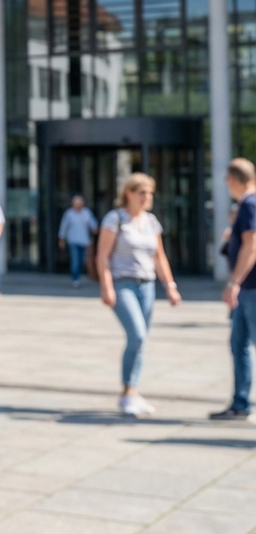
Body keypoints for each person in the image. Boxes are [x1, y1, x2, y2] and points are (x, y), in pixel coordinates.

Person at [97, 172, 180, 416]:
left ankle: (131, 391)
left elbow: (159, 256)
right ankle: (128, 393)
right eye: (142, 192)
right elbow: (102, 255)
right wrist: (107, 286)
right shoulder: (115, 219)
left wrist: (171, 286)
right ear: (129, 194)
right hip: (123, 285)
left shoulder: (151, 221)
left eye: (150, 193)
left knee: (141, 342)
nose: (147, 197)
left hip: (147, 286)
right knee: (138, 336)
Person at [209, 158, 256, 421]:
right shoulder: (248, 204)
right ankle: (240, 403)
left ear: (232, 180)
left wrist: (234, 283)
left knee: (243, 344)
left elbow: (252, 246)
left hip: (251, 287)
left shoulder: (250, 204)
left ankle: (241, 402)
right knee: (238, 344)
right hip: (247, 287)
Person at [59, 194, 98, 287]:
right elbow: (64, 227)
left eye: (79, 203)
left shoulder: (86, 213)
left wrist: (95, 229)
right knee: (75, 261)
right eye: (75, 203)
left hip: (84, 241)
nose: (77, 205)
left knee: (82, 261)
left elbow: (93, 224)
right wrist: (61, 239)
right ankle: (75, 279)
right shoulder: (69, 214)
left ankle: (79, 277)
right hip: (73, 241)